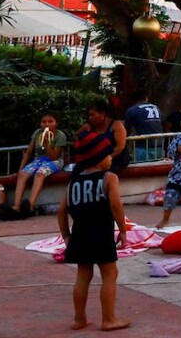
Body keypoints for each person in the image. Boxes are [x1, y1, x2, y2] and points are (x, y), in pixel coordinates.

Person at [57, 132, 129, 332]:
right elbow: (116, 205)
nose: (111, 158)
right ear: (99, 157)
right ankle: (109, 318)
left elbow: (61, 210)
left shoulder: (73, 182)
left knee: (83, 275)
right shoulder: (109, 178)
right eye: (108, 154)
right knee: (109, 273)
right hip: (101, 233)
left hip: (79, 234)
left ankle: (79, 319)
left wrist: (66, 236)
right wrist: (123, 230)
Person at [9, 112, 67, 215]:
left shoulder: (60, 135)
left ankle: (30, 205)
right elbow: (28, 153)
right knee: (23, 174)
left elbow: (54, 156)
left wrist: (46, 144)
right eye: (44, 122)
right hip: (38, 160)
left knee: (40, 174)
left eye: (50, 121)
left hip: (54, 161)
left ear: (56, 123)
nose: (47, 124)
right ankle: (16, 206)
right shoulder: (37, 133)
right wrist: (20, 170)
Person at [79, 101, 129, 174]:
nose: (90, 118)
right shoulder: (89, 127)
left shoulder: (117, 125)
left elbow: (120, 147)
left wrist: (106, 159)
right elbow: (77, 136)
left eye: (93, 115)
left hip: (116, 159)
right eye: (89, 115)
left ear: (103, 113)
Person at [123, 90, 164, 163]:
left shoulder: (132, 110)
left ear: (133, 100)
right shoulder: (156, 108)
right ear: (146, 98)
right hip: (159, 146)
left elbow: (126, 130)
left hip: (142, 148)